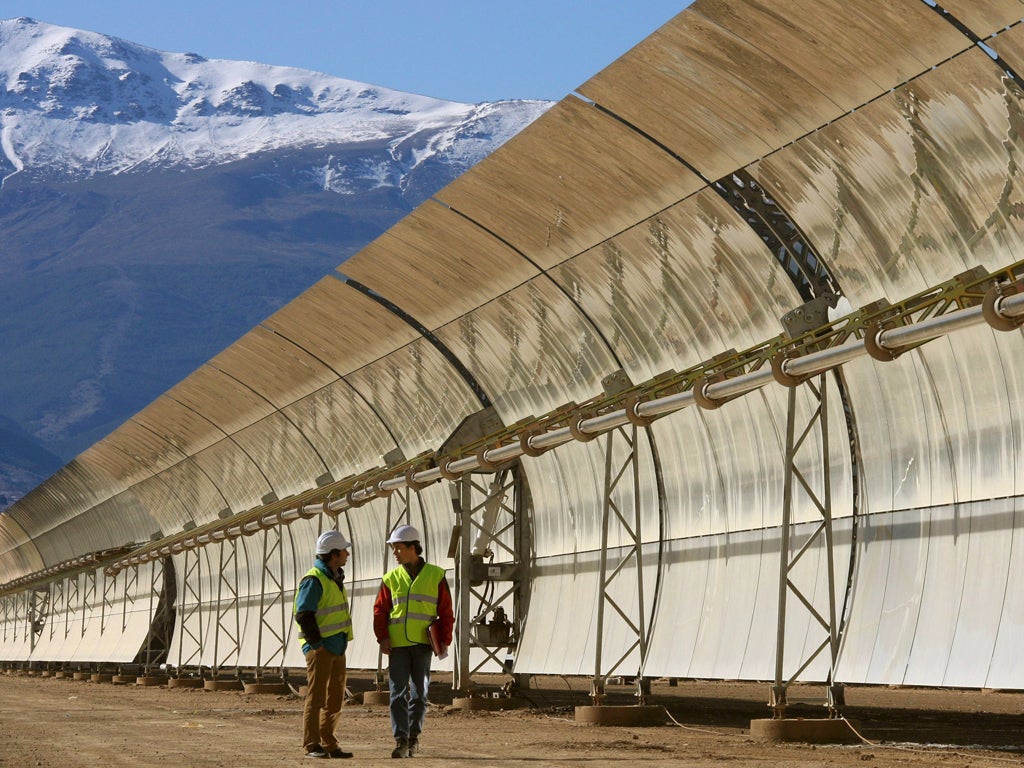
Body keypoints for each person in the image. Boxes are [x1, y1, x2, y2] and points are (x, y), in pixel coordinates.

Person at [373, 524, 454, 759]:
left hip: (423, 645)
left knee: (420, 694)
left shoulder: (436, 575)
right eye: (393, 548)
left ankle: (413, 738)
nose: (395, 553)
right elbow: (380, 611)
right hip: (397, 645)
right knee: (398, 693)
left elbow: (446, 612)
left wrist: (444, 640)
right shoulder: (390, 578)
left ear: (412, 547)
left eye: (398, 548)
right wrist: (383, 638)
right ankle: (400, 740)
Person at [294, 529, 355, 759]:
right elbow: (303, 615)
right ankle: (312, 744)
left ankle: (329, 742)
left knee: (335, 698)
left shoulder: (334, 577)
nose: (347, 554)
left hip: (336, 647)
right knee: (317, 697)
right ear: (333, 554)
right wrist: (317, 645)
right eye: (344, 551)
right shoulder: (314, 579)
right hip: (321, 650)